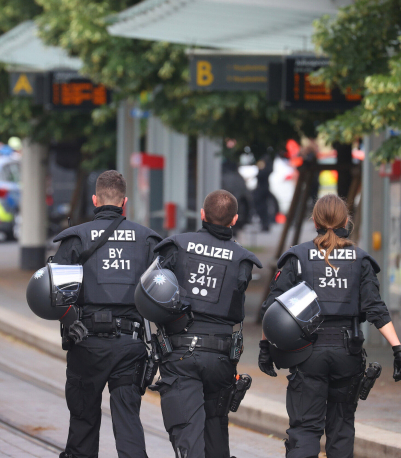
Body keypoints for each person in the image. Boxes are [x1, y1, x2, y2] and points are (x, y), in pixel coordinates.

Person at [258, 194, 401, 458]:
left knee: (304, 429)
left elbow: (274, 309)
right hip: (347, 352)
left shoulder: (297, 258)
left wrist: (264, 347)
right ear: (346, 221)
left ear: (314, 220)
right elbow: (376, 309)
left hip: (307, 352)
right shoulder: (361, 261)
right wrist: (398, 349)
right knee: (341, 429)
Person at [51, 170, 162, 458]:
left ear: (94, 199)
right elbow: (164, 296)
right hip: (130, 345)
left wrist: (69, 323)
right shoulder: (148, 240)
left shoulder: (76, 239)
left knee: (83, 421)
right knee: (128, 421)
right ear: (124, 202)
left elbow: (55, 296)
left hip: (86, 343)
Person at [153, 190, 262, 458]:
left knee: (188, 435)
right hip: (221, 358)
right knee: (216, 432)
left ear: (202, 214)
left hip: (180, 355)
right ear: (234, 219)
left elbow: (153, 292)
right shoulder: (243, 260)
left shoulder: (175, 246)